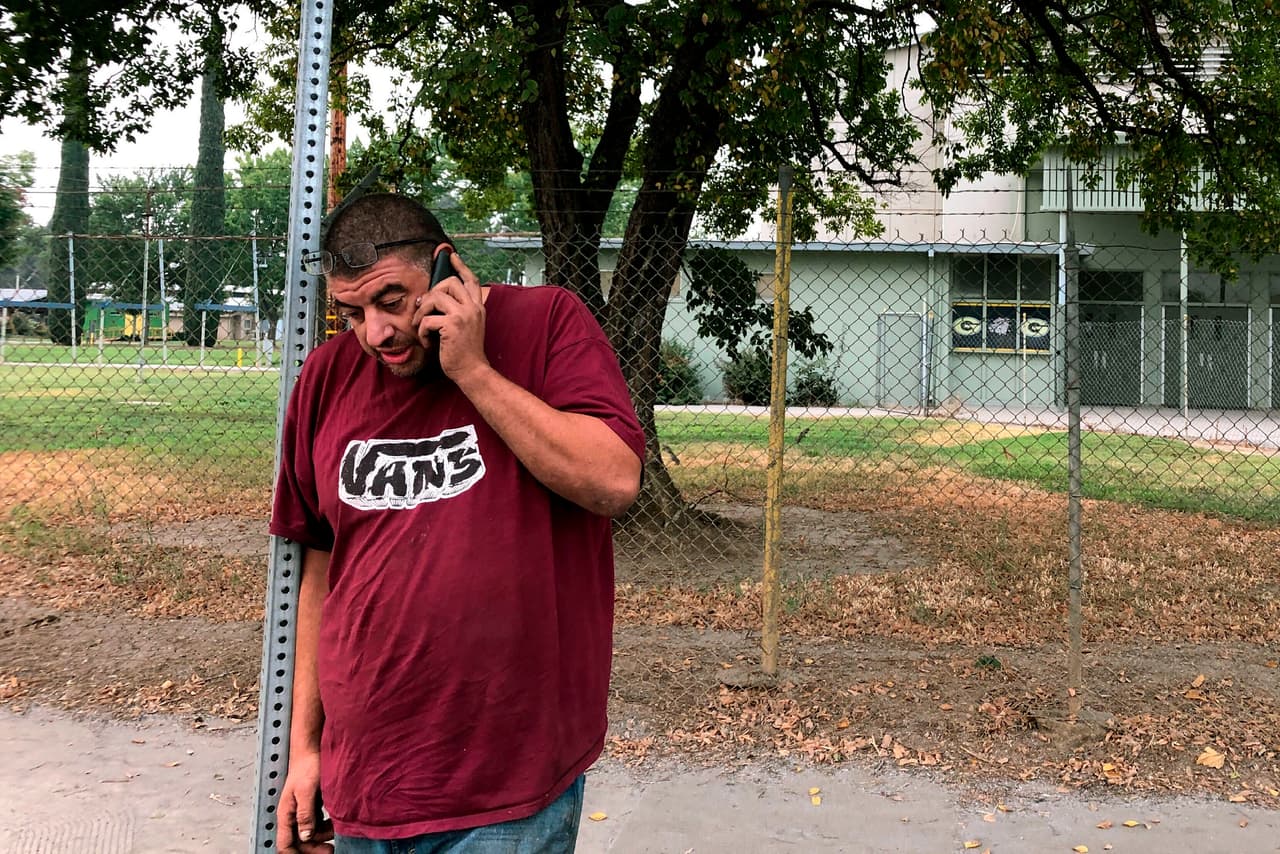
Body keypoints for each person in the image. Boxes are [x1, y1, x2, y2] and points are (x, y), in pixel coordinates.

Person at [269, 192, 645, 853]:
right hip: (365, 783)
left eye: (392, 301)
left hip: (503, 791)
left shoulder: (547, 323)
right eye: (351, 313)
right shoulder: (327, 378)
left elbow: (613, 481)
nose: (375, 333)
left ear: (446, 269)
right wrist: (304, 750)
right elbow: (320, 572)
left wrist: (471, 369)